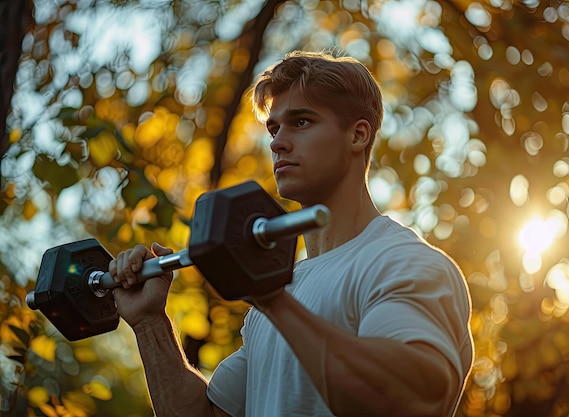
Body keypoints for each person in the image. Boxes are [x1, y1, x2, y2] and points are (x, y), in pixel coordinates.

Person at [109, 50, 474, 417]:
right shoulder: (284, 286)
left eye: (301, 122)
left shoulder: (403, 262)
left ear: (358, 135)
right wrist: (149, 322)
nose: (277, 142)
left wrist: (274, 302)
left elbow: (412, 402)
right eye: (274, 128)